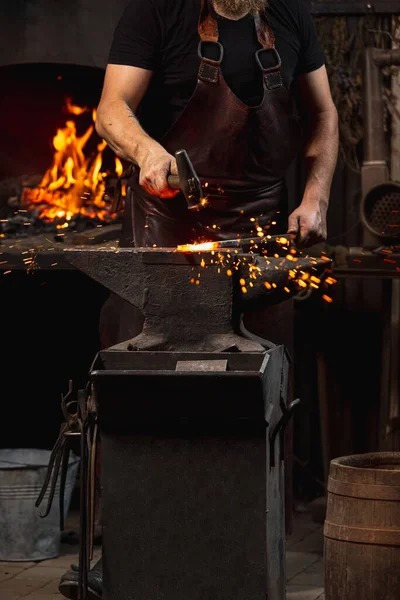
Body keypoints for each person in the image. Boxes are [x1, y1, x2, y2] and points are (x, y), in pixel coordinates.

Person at [58, 0, 338, 597]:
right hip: (168, 228)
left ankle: (247, 554)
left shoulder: (289, 15)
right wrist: (148, 151)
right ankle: (125, 550)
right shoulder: (157, 13)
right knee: (145, 391)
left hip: (260, 235)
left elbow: (323, 114)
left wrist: (315, 195)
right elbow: (111, 111)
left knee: (261, 396)